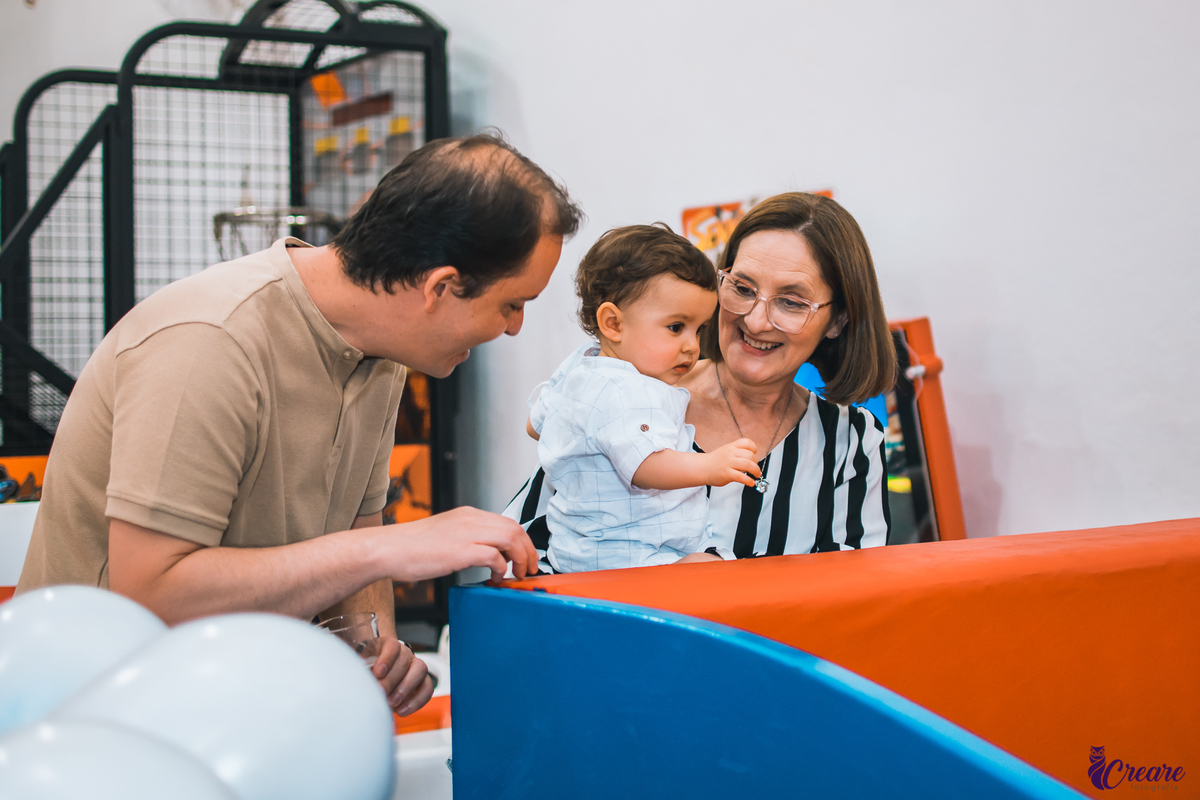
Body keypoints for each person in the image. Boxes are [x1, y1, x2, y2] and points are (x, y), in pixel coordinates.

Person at [17, 134, 582, 715]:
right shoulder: (209, 341)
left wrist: (371, 654)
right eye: (514, 303)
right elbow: (152, 596)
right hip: (95, 712)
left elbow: (354, 539)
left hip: (239, 698)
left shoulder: (380, 353)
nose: (513, 327)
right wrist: (389, 549)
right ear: (439, 287)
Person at [505, 192, 896, 559]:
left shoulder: (851, 442)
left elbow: (859, 599)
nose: (756, 321)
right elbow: (524, 550)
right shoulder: (626, 398)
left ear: (837, 320)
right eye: (742, 288)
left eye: (791, 302)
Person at [526, 225, 760, 573]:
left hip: (579, 549)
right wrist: (710, 466)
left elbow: (534, 425)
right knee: (717, 572)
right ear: (613, 324)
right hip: (630, 556)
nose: (692, 346)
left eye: (699, 330)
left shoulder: (580, 365)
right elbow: (645, 466)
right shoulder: (628, 390)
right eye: (676, 327)